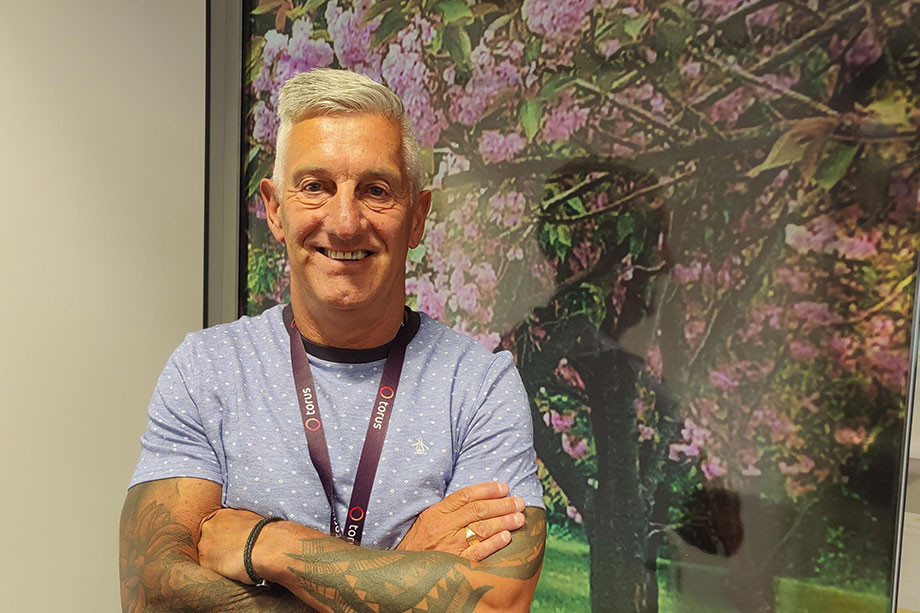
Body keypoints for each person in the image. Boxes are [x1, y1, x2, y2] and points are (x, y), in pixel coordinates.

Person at [119, 68, 546, 612]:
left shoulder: (479, 386)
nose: (345, 222)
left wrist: (270, 545)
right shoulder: (206, 369)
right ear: (275, 209)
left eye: (376, 190)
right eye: (316, 186)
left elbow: (497, 605)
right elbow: (150, 595)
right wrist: (407, 568)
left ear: (417, 218)